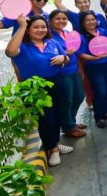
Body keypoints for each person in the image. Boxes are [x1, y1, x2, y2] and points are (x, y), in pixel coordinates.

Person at [5, 15, 73, 166]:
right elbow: (10, 51)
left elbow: (66, 57)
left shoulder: (52, 41)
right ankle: (53, 149)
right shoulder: (22, 46)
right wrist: (22, 26)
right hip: (35, 88)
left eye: (43, 27)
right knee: (46, 118)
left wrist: (64, 58)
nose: (40, 30)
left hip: (57, 82)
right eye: (35, 27)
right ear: (28, 30)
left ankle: (54, 143)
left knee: (58, 114)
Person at [48, 10, 86, 138]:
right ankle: (69, 126)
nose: (61, 21)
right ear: (50, 20)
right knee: (67, 100)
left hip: (73, 69)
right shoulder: (49, 37)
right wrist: (65, 54)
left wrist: (80, 68)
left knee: (79, 96)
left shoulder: (68, 33)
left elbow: (75, 53)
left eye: (64, 18)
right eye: (57, 18)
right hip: (61, 73)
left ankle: (70, 121)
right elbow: (51, 56)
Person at [78, 11, 107, 129]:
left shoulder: (104, 32)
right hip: (94, 67)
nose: (91, 22)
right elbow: (81, 54)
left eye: (93, 19)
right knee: (99, 91)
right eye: (87, 20)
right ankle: (98, 116)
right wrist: (95, 57)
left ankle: (105, 112)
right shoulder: (82, 37)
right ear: (83, 23)